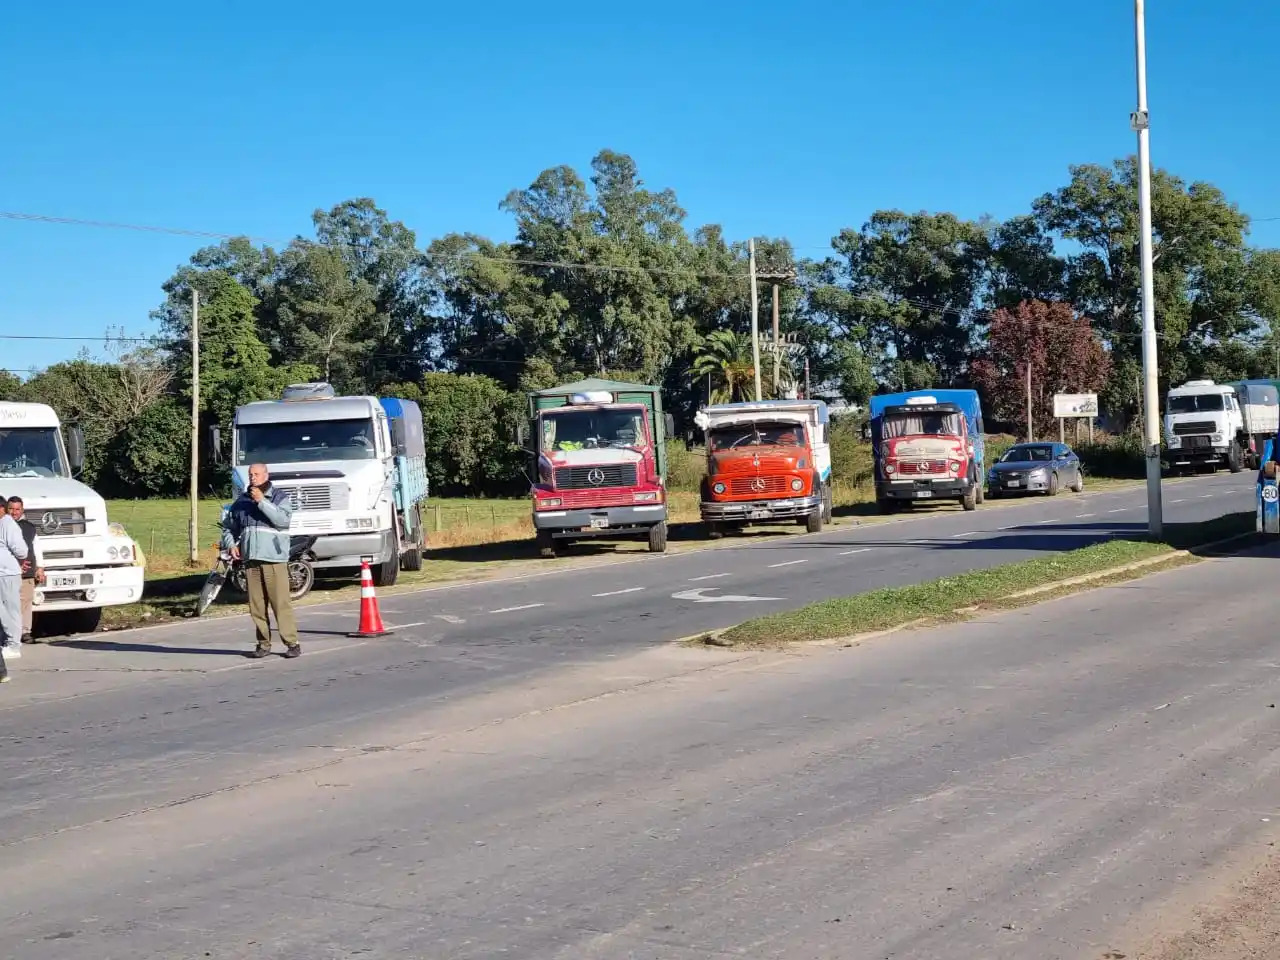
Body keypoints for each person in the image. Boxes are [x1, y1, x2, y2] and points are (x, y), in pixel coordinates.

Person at [220, 463, 301, 659]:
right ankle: (263, 643)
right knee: (256, 605)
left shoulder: (278, 497)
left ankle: (292, 643)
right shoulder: (241, 501)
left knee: (280, 603)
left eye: (256, 474)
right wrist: (231, 544)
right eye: (250, 474)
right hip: (251, 559)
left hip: (273, 558)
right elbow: (228, 528)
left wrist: (261, 502)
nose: (253, 477)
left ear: (266, 475)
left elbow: (283, 521)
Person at [0, 493, 29, 678]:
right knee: (2, 610)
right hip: (1, 572)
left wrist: (21, 560)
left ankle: (14, 645)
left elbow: (21, 548)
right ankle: (8, 640)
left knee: (10, 609)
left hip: (8, 573)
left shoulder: (8, 523)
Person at [7, 497, 42, 643]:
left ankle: (25, 632)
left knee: (26, 602)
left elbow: (37, 548)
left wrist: (40, 568)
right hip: (8, 572)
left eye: (17, 509)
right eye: (11, 509)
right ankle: (10, 633)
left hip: (27, 572)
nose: (14, 512)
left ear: (22, 510)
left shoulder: (29, 527)